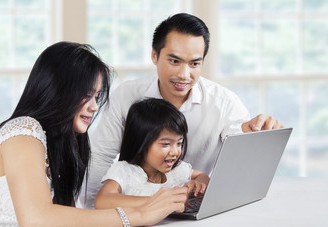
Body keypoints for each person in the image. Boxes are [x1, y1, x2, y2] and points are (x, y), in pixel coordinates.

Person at [0, 42, 188, 227]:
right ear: (59, 91)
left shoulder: (64, 145)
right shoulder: (23, 131)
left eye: (97, 97)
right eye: (87, 94)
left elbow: (68, 222)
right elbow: (38, 223)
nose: (94, 107)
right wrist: (140, 214)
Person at [79, 13, 284, 209]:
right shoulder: (128, 95)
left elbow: (238, 154)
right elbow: (101, 157)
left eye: (194, 63)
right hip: (134, 213)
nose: (184, 75)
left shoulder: (225, 102)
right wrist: (92, 215)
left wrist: (254, 135)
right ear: (154, 55)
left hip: (191, 209)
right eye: (174, 61)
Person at [95, 98, 210, 209]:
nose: (175, 152)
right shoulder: (125, 171)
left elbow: (202, 176)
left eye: (179, 143)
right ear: (141, 142)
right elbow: (102, 201)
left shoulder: (177, 170)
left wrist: (199, 183)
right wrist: (160, 201)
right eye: (165, 144)